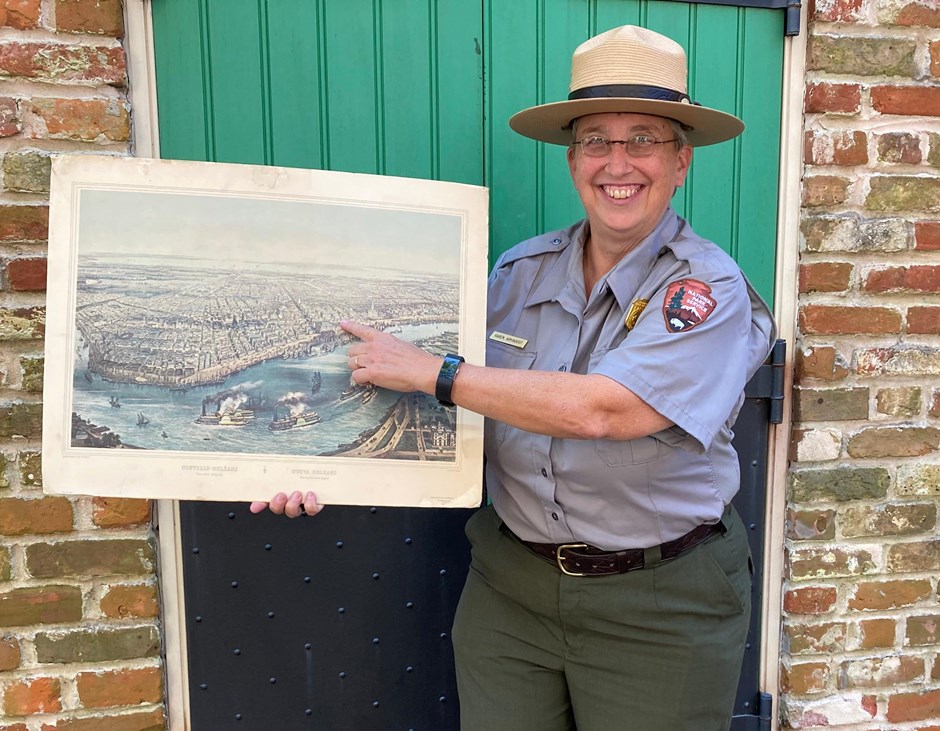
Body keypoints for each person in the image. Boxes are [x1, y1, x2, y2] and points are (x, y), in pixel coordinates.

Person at [252, 25, 775, 731]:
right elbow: (439, 413)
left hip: (659, 600)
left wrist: (435, 371)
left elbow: (607, 410)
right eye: (597, 139)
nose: (618, 162)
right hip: (513, 588)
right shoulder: (516, 272)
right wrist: (316, 465)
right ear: (572, 159)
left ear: (681, 161)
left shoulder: (707, 289)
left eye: (643, 138)